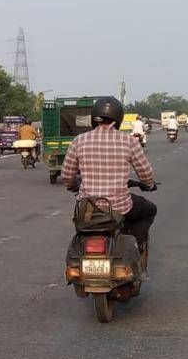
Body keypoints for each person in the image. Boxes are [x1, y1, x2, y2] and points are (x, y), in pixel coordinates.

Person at [62, 96, 157, 250]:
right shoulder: (129, 141)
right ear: (119, 118)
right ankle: (136, 247)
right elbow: (145, 174)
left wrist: (72, 185)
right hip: (119, 207)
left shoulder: (79, 140)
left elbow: (67, 175)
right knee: (150, 210)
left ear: (94, 118)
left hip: (88, 209)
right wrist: (149, 184)